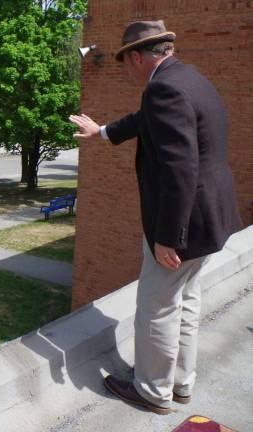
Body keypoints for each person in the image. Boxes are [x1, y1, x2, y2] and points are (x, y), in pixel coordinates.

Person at [69, 20, 242, 415]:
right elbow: (146, 119)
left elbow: (181, 168)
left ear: (136, 57)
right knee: (187, 299)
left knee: (157, 306)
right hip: (210, 218)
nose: (127, 72)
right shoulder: (187, 77)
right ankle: (181, 383)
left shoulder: (164, 88)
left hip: (183, 224)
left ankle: (152, 391)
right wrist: (102, 132)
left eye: (126, 64)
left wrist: (168, 235)